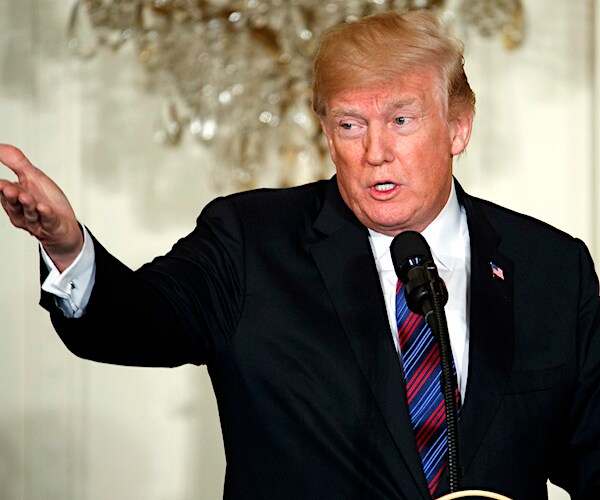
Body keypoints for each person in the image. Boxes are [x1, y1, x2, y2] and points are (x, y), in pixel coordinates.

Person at [1, 9, 599, 500]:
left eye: (401, 119)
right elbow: (135, 320)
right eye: (350, 124)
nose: (376, 151)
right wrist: (67, 244)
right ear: (326, 132)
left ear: (458, 128)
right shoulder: (250, 240)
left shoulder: (552, 268)